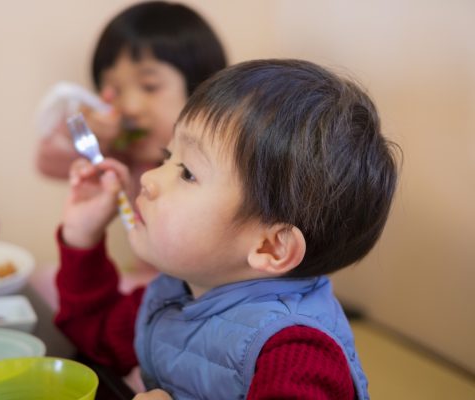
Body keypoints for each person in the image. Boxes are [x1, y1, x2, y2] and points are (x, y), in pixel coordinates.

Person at [54, 59, 400, 399]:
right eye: (166, 156)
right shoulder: (179, 291)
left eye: (187, 172)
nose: (147, 179)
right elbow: (96, 339)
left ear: (270, 248)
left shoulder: (297, 353)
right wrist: (81, 236)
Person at [36, 1, 227, 198]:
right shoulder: (121, 156)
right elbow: (47, 164)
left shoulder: (224, 160)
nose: (129, 107)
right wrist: (92, 136)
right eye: (115, 91)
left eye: (150, 86)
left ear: (203, 88)